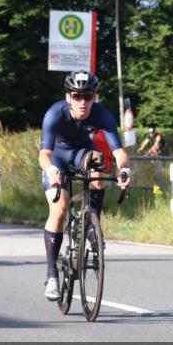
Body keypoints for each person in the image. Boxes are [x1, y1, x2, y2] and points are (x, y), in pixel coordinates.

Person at [39, 71, 132, 300]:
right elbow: (44, 155)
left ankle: (92, 225)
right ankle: (52, 276)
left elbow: (119, 152)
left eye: (87, 96)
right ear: (68, 97)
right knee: (59, 210)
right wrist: (51, 171)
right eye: (77, 96)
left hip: (81, 152)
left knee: (98, 161)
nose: (82, 101)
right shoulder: (54, 114)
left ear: (94, 97)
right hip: (57, 158)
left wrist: (124, 170)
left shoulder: (102, 114)